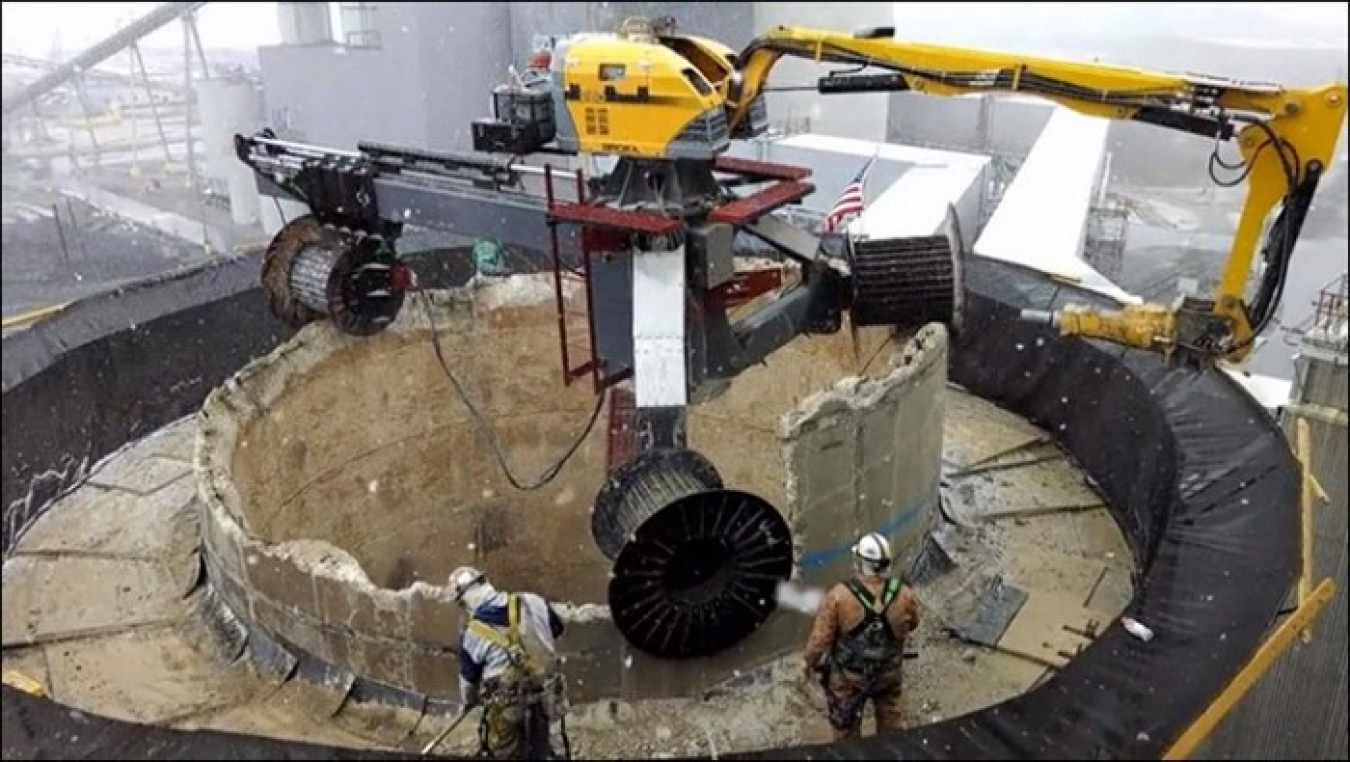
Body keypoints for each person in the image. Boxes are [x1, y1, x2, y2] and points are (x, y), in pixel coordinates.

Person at [802, 532, 921, 740]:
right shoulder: (904, 594)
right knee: (891, 723)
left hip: (849, 678)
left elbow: (820, 640)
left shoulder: (839, 596)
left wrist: (808, 663)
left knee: (845, 729)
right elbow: (913, 624)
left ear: (861, 562)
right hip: (888, 674)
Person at [451, 566, 568, 759]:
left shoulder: (473, 631)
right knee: (551, 748)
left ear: (466, 598)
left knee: (504, 750)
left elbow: (469, 679)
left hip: (507, 703)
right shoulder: (533, 602)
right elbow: (556, 628)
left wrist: (469, 702)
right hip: (547, 692)